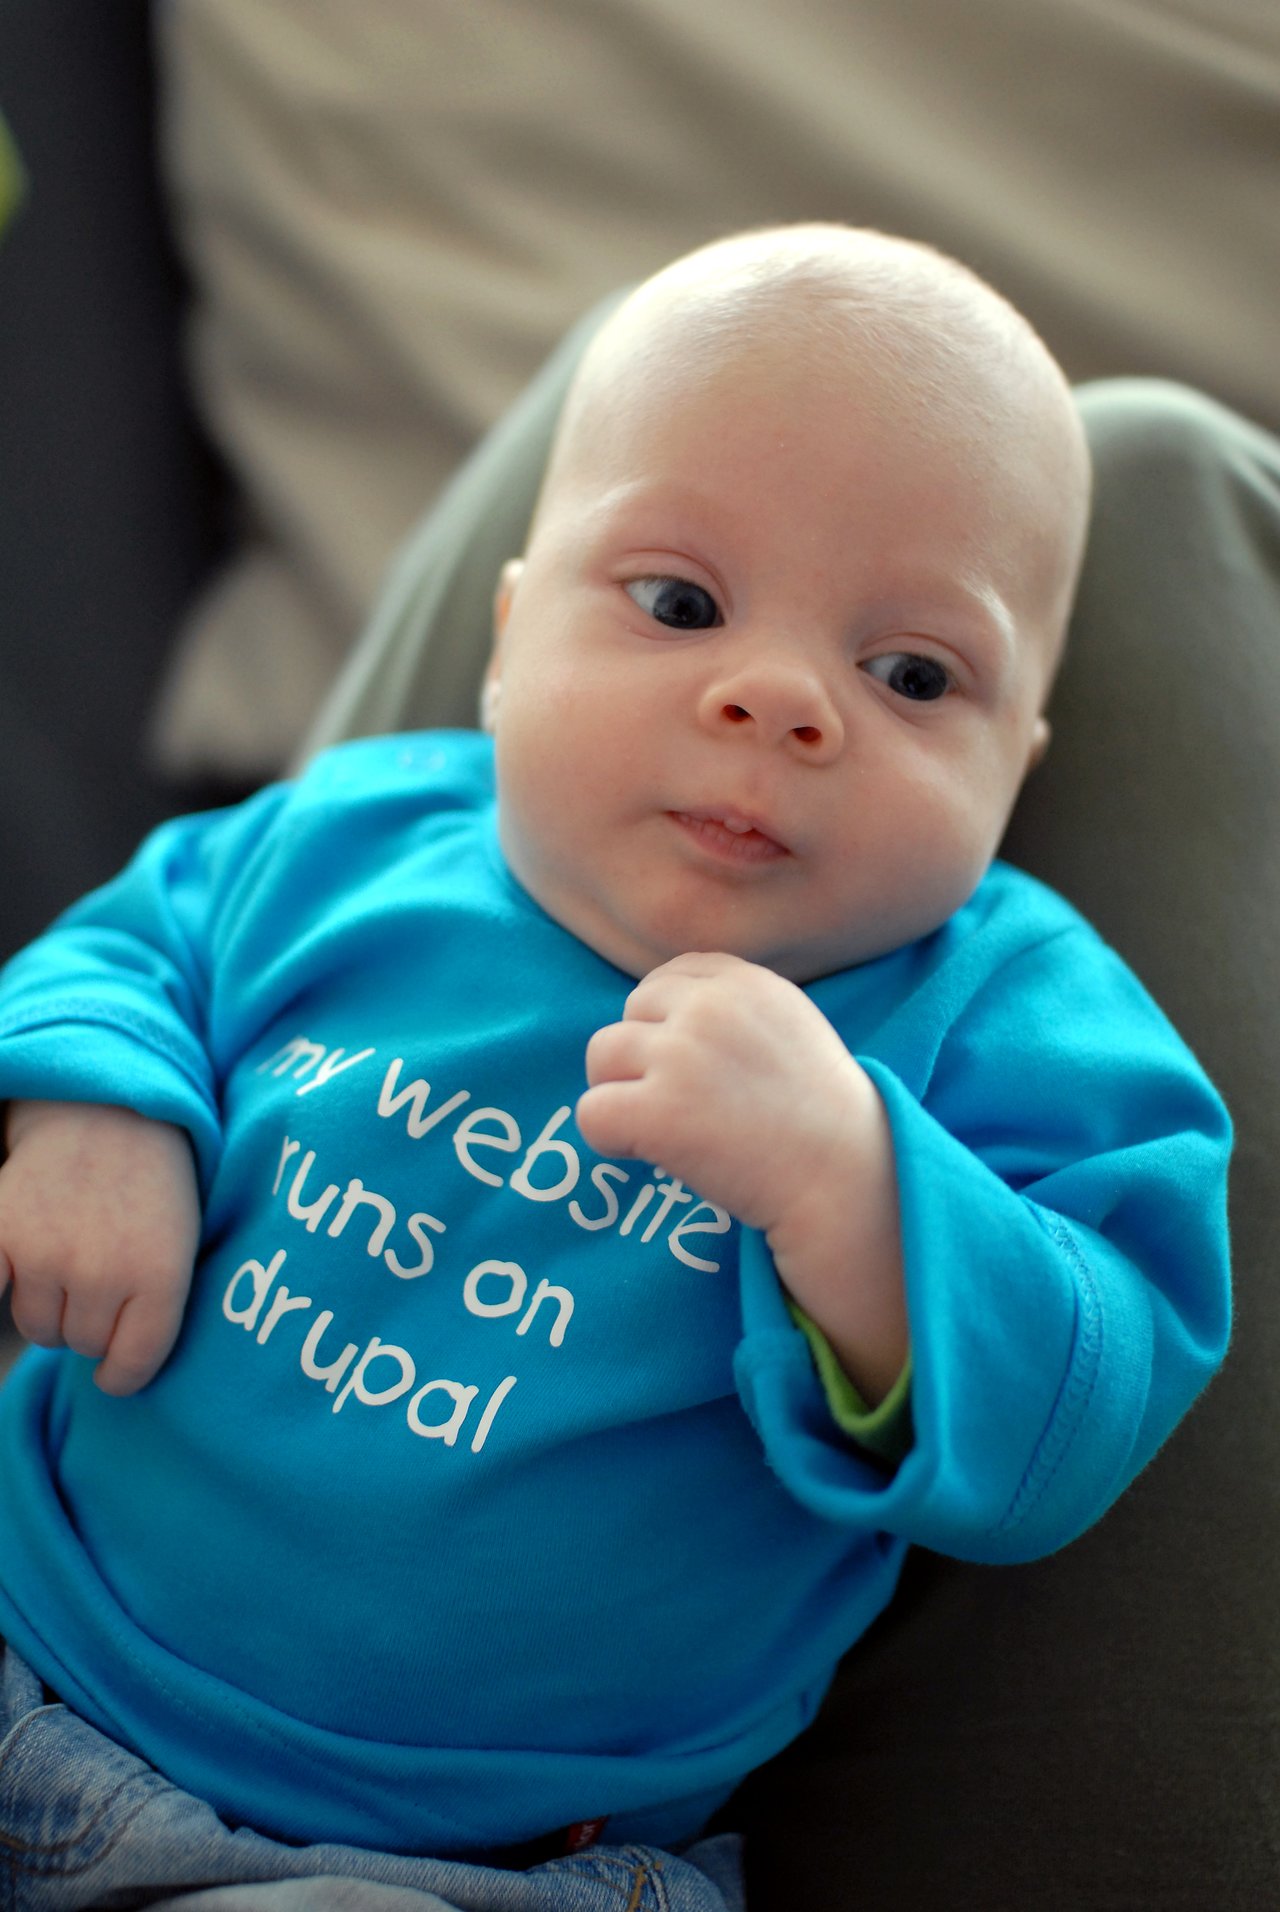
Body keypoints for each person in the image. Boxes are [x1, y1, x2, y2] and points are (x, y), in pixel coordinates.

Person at [0, 225, 1231, 1911]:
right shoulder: (362, 829)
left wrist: (850, 1183)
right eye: (678, 602)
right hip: (22, 1630)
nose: (779, 697)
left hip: (471, 1867)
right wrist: (101, 1110)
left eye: (913, 673)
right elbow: (133, 944)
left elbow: (1086, 1395)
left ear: (1016, 762)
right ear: (507, 641)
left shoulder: (1006, 1015)